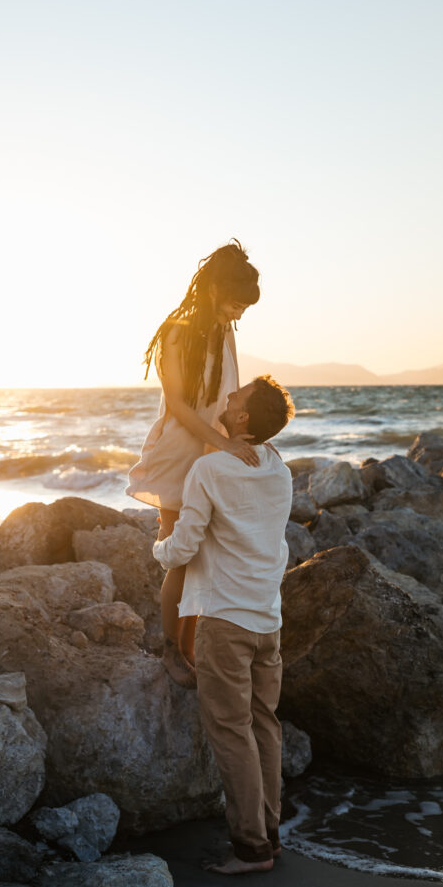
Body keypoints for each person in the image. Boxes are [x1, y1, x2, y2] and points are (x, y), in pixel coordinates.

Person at [153, 375, 295, 875]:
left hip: (223, 620)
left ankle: (250, 848)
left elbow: (185, 546)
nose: (227, 397)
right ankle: (271, 834)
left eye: (235, 397)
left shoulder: (209, 468)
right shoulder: (279, 468)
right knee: (264, 726)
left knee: (231, 732)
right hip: (266, 620)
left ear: (239, 419)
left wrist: (158, 550)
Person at [127, 240, 260, 687]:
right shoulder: (176, 332)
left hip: (212, 451)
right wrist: (219, 447)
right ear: (215, 290)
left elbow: (228, 395)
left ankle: (188, 648)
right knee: (181, 554)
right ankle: (171, 651)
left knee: (206, 555)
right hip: (180, 452)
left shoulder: (223, 333)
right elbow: (180, 407)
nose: (238, 314)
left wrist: (235, 441)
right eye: (235, 303)